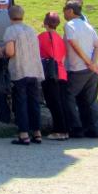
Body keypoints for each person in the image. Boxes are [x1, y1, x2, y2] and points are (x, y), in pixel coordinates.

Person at [3, 4, 44, 145]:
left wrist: (3, 51)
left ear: (10, 16)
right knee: (34, 102)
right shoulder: (31, 29)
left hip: (20, 70)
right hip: (34, 69)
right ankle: (37, 133)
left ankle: (24, 134)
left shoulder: (11, 30)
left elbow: (10, 52)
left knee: (21, 102)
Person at [63, 0, 98, 139]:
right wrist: (93, 63)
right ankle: (93, 128)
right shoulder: (88, 26)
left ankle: (76, 127)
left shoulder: (70, 25)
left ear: (70, 11)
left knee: (68, 96)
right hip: (91, 70)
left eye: (65, 11)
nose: (64, 14)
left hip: (77, 68)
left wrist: (88, 62)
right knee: (90, 99)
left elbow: (73, 44)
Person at [38, 11, 69, 140]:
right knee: (61, 103)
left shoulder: (42, 37)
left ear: (45, 23)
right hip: (62, 73)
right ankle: (65, 130)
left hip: (50, 73)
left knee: (53, 103)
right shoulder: (60, 38)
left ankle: (59, 130)